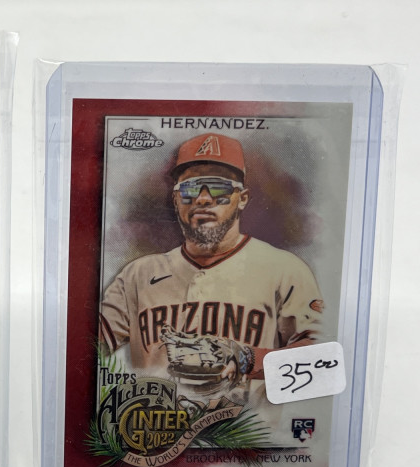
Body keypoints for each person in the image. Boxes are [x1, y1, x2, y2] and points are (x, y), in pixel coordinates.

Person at [99, 133, 323, 408]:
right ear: (176, 199)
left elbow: (322, 363)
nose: (203, 199)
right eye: (190, 188)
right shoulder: (137, 275)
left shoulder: (285, 270)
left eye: (218, 188)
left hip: (247, 432)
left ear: (242, 198)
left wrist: (247, 360)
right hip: (155, 430)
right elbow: (84, 351)